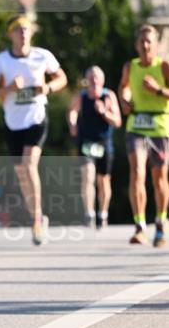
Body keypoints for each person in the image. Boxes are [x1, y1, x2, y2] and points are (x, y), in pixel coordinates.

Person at [0, 14, 67, 245]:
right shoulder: (1, 61)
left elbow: (62, 79)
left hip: (36, 119)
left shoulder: (42, 56)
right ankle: (36, 216)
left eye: (27, 29)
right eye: (19, 29)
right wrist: (7, 89)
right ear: (10, 33)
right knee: (22, 175)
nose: (24, 33)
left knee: (30, 166)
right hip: (13, 123)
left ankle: (37, 221)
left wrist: (47, 87)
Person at [118, 24, 169, 247]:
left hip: (159, 125)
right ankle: (140, 226)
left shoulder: (164, 66)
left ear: (156, 45)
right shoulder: (131, 66)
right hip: (136, 124)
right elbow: (124, 88)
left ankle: (160, 223)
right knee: (137, 171)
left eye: (149, 41)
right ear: (136, 44)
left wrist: (158, 90)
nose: (145, 45)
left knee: (159, 178)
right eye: (142, 41)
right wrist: (125, 100)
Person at [66, 66, 121, 229]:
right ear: (86, 81)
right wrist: (72, 124)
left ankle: (102, 213)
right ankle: (89, 213)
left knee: (103, 180)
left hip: (104, 143)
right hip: (86, 143)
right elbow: (71, 111)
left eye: (97, 77)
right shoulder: (81, 97)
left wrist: (104, 112)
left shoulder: (108, 96)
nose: (94, 80)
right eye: (91, 77)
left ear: (102, 80)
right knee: (88, 177)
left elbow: (117, 122)